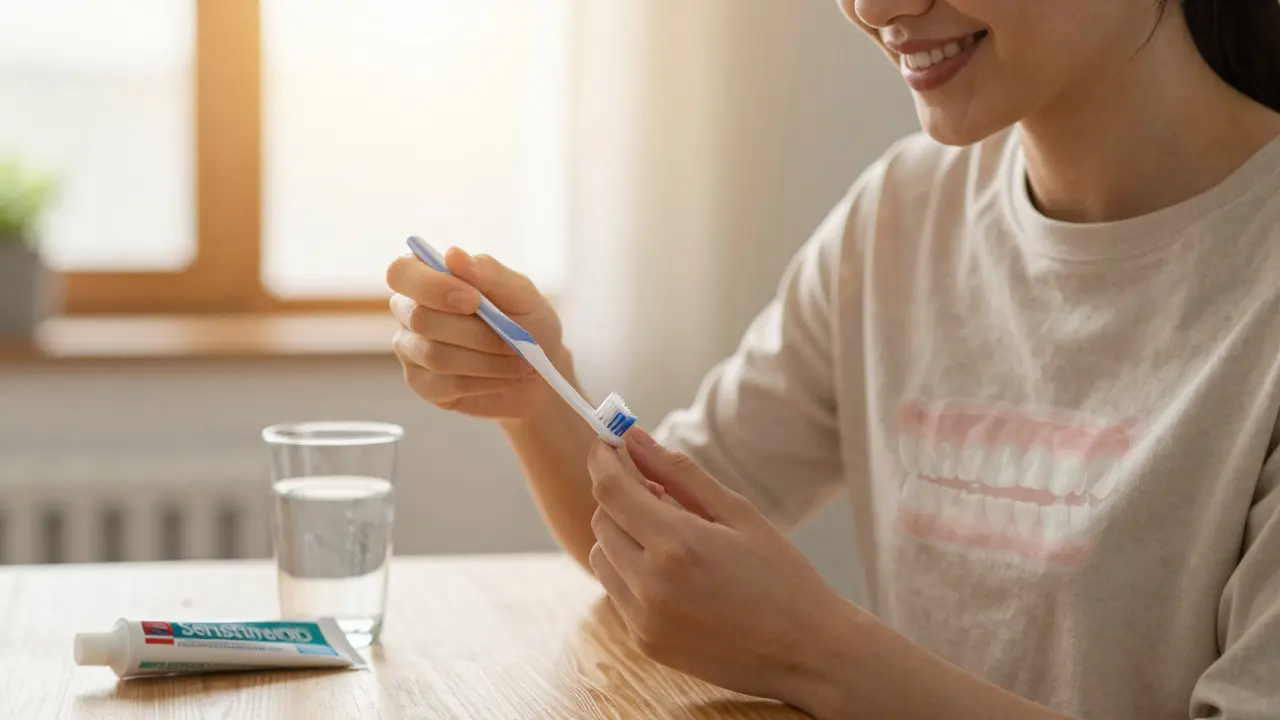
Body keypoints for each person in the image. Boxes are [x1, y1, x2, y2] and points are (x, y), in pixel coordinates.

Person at [385, 0, 1280, 717]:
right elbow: (663, 548)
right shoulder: (902, 216)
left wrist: (812, 651)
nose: (875, 8)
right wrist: (534, 389)